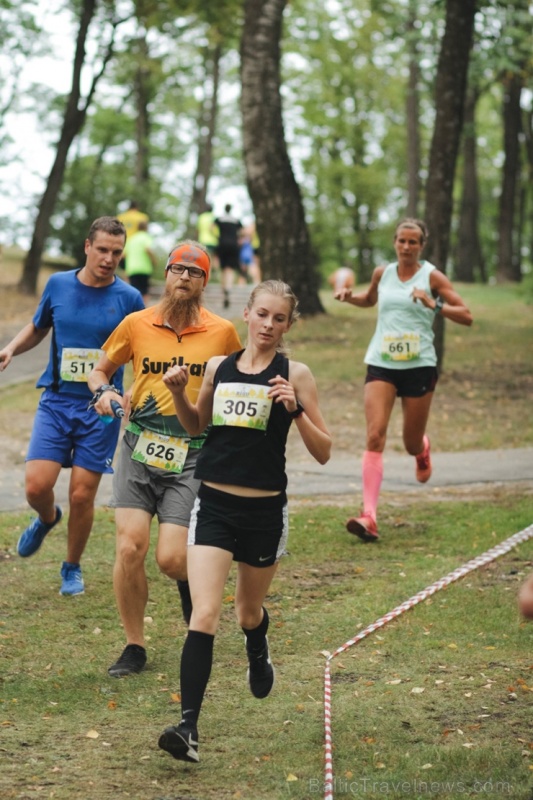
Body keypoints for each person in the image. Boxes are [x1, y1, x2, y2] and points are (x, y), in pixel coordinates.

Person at [157, 279, 332, 763]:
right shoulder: (218, 366)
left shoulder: (296, 374)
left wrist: (295, 412)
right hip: (212, 504)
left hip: (263, 513)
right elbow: (196, 426)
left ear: (289, 324)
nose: (269, 326)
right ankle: (188, 728)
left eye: (280, 319)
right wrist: (178, 394)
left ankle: (258, 643)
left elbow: (324, 452)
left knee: (245, 612)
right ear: (247, 314)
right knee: (204, 614)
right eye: (262, 315)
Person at [87, 240, 242, 678]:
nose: (184, 278)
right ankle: (134, 645)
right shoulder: (136, 323)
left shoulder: (222, 332)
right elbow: (101, 369)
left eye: (195, 272)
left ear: (204, 281)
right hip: (138, 448)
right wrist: (106, 392)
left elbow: (233, 389)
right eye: (178, 269)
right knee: (129, 546)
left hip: (191, 455)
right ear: (167, 274)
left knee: (172, 559)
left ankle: (189, 587)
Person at [0, 217, 144, 595]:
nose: (109, 259)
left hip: (102, 407)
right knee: (36, 486)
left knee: (82, 493)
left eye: (116, 252)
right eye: (102, 250)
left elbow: (145, 349)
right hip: (57, 401)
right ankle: (47, 518)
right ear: (87, 246)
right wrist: (11, 348)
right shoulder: (59, 284)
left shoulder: (128, 298)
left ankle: (71, 567)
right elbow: (39, 325)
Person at [335, 218, 473, 543]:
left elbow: (466, 315)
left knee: (410, 441)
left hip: (419, 365)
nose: (406, 247)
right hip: (381, 363)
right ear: (394, 242)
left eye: (413, 242)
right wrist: (348, 296)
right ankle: (369, 515)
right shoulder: (382, 273)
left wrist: (433, 303)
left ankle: (421, 449)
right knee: (374, 436)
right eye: (401, 241)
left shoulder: (433, 276)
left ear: (422, 246)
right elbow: (370, 299)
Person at [214, 203, 243, 308]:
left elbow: (211, 228)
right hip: (233, 245)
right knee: (230, 269)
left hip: (222, 244)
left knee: (223, 269)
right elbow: (242, 231)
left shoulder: (219, 219)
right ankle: (228, 289)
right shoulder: (236, 220)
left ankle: (223, 291)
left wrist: (217, 236)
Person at [123, 220, 158, 304]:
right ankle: (143, 310)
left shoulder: (131, 239)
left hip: (131, 269)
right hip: (144, 268)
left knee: (133, 290)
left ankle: (134, 310)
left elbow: (124, 255)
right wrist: (154, 260)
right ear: (146, 228)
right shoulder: (146, 237)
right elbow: (148, 249)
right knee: (145, 291)